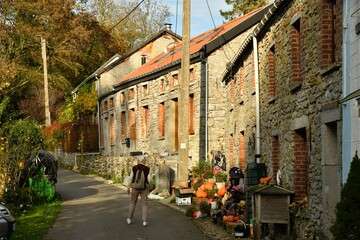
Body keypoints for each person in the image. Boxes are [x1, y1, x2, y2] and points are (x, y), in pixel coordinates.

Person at [126, 155, 150, 227]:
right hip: (144, 188)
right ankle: (144, 222)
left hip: (135, 188)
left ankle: (129, 219)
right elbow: (150, 180)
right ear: (143, 161)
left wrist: (128, 187)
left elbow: (130, 178)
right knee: (144, 205)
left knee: (133, 203)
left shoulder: (134, 168)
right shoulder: (147, 169)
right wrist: (149, 186)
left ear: (138, 161)